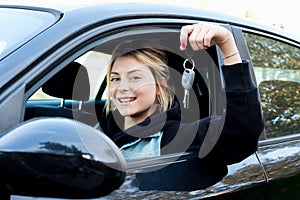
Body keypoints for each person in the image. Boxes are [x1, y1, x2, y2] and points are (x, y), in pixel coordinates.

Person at [98, 23, 264, 189]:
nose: (122, 87)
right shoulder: (99, 128)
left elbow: (240, 134)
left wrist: (227, 44)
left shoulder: (174, 137)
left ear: (160, 85)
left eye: (135, 78)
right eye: (115, 79)